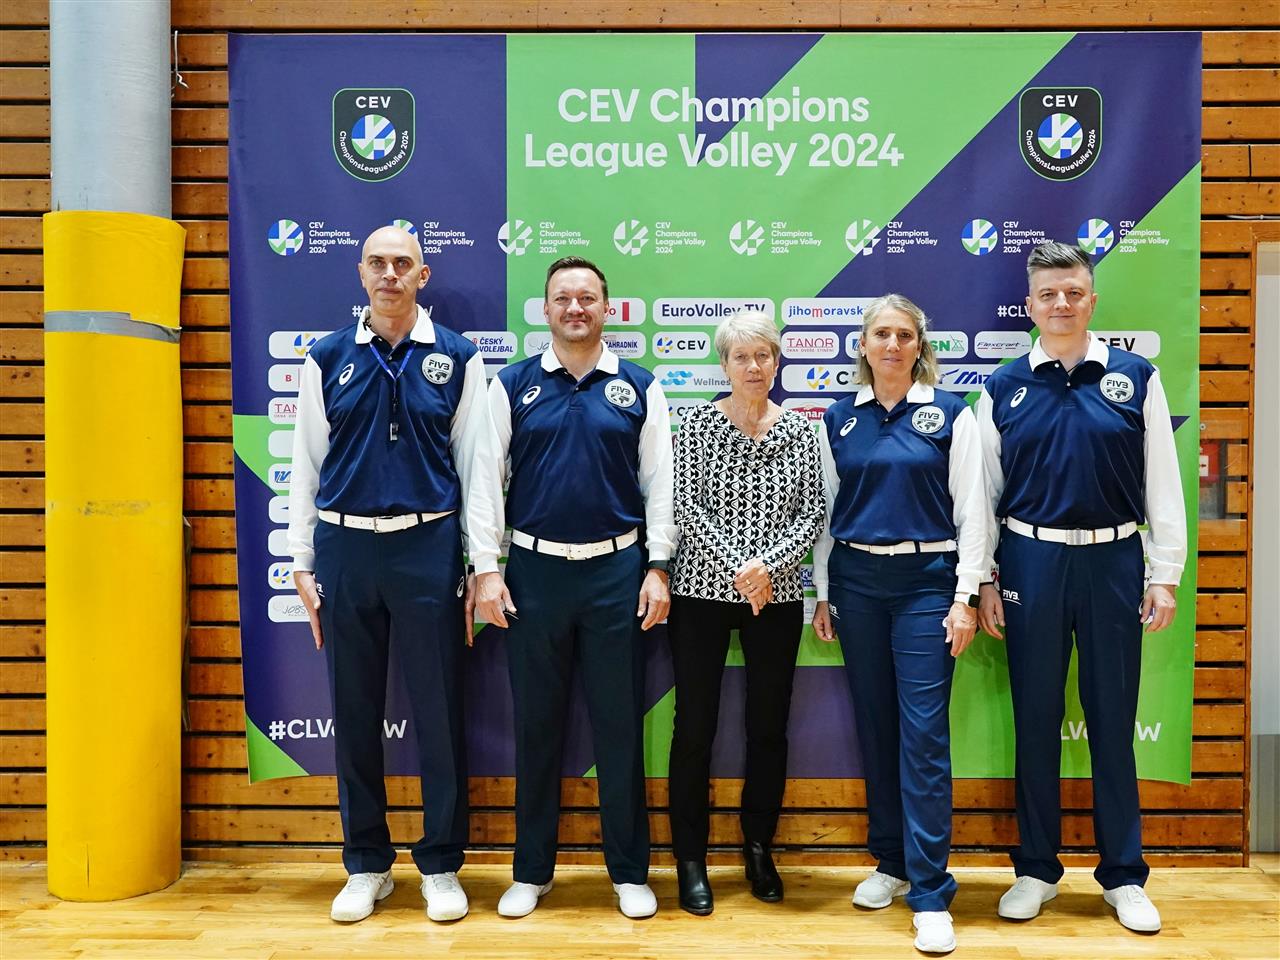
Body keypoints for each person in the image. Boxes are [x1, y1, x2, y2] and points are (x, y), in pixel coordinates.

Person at [976, 241, 1186, 934]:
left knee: (1112, 722)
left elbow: (1163, 480)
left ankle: (1123, 874)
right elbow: (984, 494)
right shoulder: (1003, 386)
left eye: (1073, 292)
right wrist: (984, 579)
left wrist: (1165, 574)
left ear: (1092, 300)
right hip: (1029, 564)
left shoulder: (1135, 377)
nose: (1061, 303)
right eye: (1048, 294)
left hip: (1114, 561)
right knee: (1035, 720)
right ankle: (1036, 869)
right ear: (1029, 305)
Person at [287, 225, 487, 924]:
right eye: (378, 262)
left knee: (439, 710)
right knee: (354, 711)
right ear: (360, 273)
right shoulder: (326, 357)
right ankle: (366, 863)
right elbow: (305, 465)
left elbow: (476, 469)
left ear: (423, 277)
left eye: (403, 263)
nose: (390, 274)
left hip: (428, 546)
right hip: (345, 547)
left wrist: (481, 564)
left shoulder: (457, 357)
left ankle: (441, 864)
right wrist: (301, 560)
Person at [468, 256, 676, 920]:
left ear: (606, 309)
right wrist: (486, 568)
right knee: (537, 728)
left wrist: (659, 566)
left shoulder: (639, 386)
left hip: (617, 574)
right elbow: (484, 481)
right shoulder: (512, 384)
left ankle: (629, 873)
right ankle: (531, 872)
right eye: (563, 298)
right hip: (534, 575)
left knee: (618, 727)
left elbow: (660, 485)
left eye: (587, 297)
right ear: (546, 309)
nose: (576, 307)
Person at [811, 293, 989, 955]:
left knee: (923, 736)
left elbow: (973, 511)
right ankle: (890, 861)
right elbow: (827, 514)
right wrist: (822, 593)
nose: (892, 345)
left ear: (920, 346)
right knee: (876, 726)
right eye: (881, 334)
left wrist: (965, 595)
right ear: (863, 345)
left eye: (904, 335)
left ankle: (931, 891)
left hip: (926, 584)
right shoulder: (839, 418)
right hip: (856, 583)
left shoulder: (951, 413)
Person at [666, 310, 825, 916]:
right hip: (702, 591)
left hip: (775, 597)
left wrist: (767, 566)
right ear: (724, 365)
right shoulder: (696, 424)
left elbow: (813, 513)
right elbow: (688, 507)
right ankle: (690, 859)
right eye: (742, 357)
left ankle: (759, 848)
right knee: (694, 727)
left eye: (763, 356)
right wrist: (740, 566)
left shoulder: (801, 431)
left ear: (776, 363)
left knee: (767, 726)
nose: (754, 367)